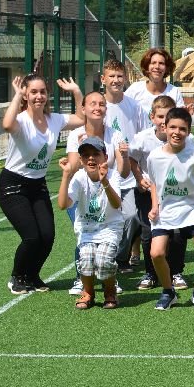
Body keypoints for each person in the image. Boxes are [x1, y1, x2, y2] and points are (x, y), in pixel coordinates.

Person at [0, 73, 84, 294]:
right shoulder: (21, 121)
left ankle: (32, 275)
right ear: (26, 95)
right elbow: (7, 125)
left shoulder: (54, 119)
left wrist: (76, 92)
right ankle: (17, 277)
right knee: (31, 237)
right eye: (33, 92)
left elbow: (81, 118)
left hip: (37, 185)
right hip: (13, 185)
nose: (39, 96)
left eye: (43, 92)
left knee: (47, 236)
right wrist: (17, 95)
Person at [145, 107, 194, 310]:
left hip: (191, 210)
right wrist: (154, 206)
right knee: (156, 253)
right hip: (165, 211)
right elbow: (154, 183)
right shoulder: (154, 156)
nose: (177, 132)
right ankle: (168, 291)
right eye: (173, 127)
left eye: (182, 129)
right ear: (164, 128)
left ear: (189, 131)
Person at [64, 91, 130, 297]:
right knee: (85, 233)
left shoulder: (114, 134)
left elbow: (123, 172)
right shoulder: (75, 135)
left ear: (106, 109)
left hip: (106, 189)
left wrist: (125, 156)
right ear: (83, 109)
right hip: (83, 191)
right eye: (92, 104)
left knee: (104, 238)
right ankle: (82, 279)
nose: (97, 108)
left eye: (101, 104)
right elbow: (74, 168)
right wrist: (82, 151)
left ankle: (109, 278)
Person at [128, 96, 193, 292]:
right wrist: (139, 178)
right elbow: (132, 159)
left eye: (168, 116)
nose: (164, 122)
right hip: (147, 193)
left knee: (177, 233)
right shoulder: (142, 138)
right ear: (152, 117)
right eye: (160, 117)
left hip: (174, 193)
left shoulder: (185, 139)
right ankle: (151, 273)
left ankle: (176, 272)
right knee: (148, 233)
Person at [57, 137, 124, 309]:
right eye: (86, 155)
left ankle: (110, 291)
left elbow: (116, 204)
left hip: (110, 227)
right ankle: (88, 293)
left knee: (104, 260)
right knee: (86, 260)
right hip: (87, 229)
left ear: (105, 157)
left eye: (96, 154)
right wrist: (66, 175)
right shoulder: (79, 177)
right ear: (81, 160)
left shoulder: (113, 175)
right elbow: (63, 205)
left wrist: (104, 181)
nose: (91, 158)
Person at [101, 59, 148, 273]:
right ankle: (103, 257)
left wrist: (140, 171)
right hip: (104, 175)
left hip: (128, 175)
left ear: (125, 78)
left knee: (131, 216)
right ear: (103, 79)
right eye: (111, 76)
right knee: (103, 217)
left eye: (120, 76)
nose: (116, 80)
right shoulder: (98, 105)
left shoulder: (134, 106)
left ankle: (120, 258)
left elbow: (143, 136)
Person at [125, 48, 190, 122]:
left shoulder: (174, 92)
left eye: (161, 63)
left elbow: (179, 120)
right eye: (153, 63)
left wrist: (185, 114)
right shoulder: (135, 89)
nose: (157, 67)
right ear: (147, 66)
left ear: (167, 68)